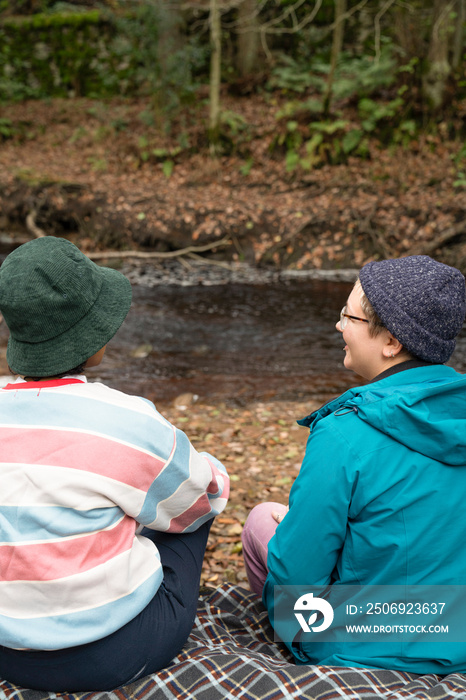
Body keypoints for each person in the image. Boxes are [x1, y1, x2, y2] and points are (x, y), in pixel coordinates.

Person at [0, 236, 229, 692]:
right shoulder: (126, 418)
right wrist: (212, 471)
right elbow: (204, 499)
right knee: (191, 501)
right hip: (108, 655)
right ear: (92, 337)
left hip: (5, 653)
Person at [242, 254, 466, 674]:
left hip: (365, 643)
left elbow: (297, 575)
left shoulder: (345, 433)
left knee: (261, 521)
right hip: (456, 631)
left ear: (392, 343)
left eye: (349, 316)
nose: (339, 326)